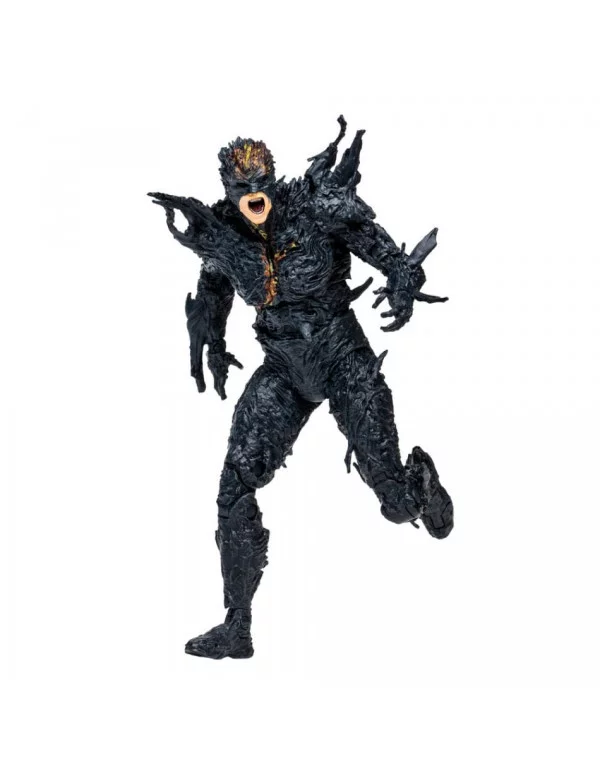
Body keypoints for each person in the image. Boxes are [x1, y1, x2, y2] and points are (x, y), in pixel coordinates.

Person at [149, 116, 453, 660]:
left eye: (259, 182)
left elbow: (379, 248)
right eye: (241, 187)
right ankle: (237, 627)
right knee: (234, 486)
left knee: (394, 503)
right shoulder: (223, 233)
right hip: (284, 370)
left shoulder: (314, 209)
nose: (252, 193)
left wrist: (402, 281)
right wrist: (212, 343)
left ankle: (419, 487)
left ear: (271, 179)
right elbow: (213, 290)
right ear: (229, 191)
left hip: (342, 358)